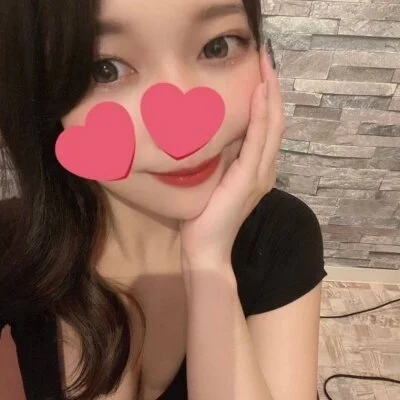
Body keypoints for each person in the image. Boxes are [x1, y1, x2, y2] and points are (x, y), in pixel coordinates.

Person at [0, 0, 327, 399]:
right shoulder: (12, 245)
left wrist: (209, 265)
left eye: (218, 47)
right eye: (104, 69)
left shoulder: (281, 235)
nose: (184, 133)